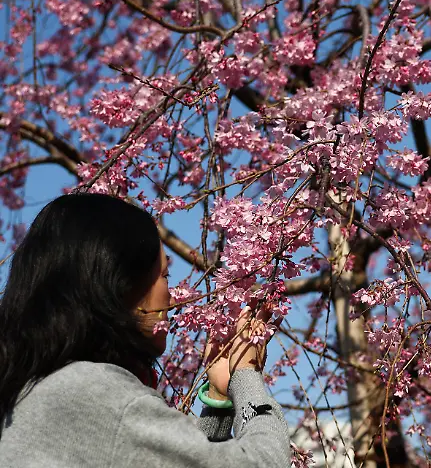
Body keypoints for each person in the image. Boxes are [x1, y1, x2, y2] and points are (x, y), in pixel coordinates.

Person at [0, 193, 291, 467]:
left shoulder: (36, 392)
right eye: (165, 275)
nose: (173, 297)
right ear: (121, 284)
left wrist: (217, 399)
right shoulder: (93, 392)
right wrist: (246, 374)